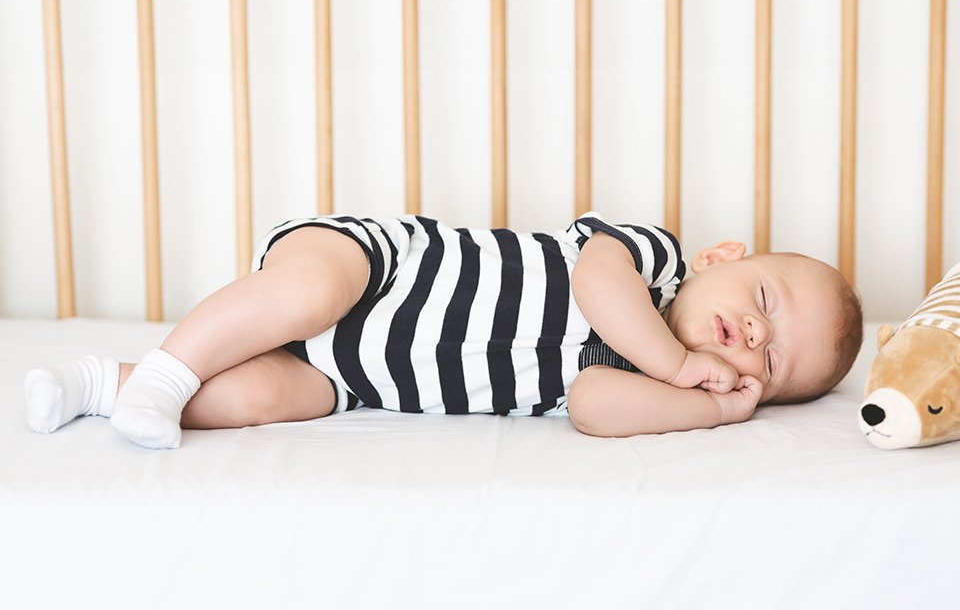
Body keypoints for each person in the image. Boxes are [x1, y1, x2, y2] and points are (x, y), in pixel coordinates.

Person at [23, 213, 863, 449]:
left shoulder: (645, 383)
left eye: (770, 359)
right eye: (765, 297)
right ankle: (169, 374)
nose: (753, 332)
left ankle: (101, 384)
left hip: (357, 376)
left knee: (262, 398)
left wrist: (710, 409)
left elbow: (591, 407)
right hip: (378, 266)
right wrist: (680, 358)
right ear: (723, 255)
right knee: (306, 296)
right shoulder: (652, 262)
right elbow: (595, 281)